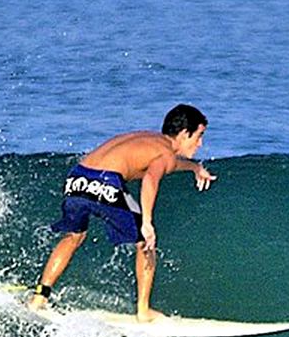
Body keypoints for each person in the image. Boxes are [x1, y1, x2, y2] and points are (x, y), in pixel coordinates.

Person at [28, 104, 215, 322]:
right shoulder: (165, 153)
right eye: (199, 136)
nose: (200, 143)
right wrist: (147, 222)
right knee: (145, 242)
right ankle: (144, 311)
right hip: (106, 183)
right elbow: (151, 179)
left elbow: (169, 165)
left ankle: (39, 297)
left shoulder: (147, 140)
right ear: (184, 134)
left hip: (77, 178)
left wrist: (194, 168)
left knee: (74, 236)